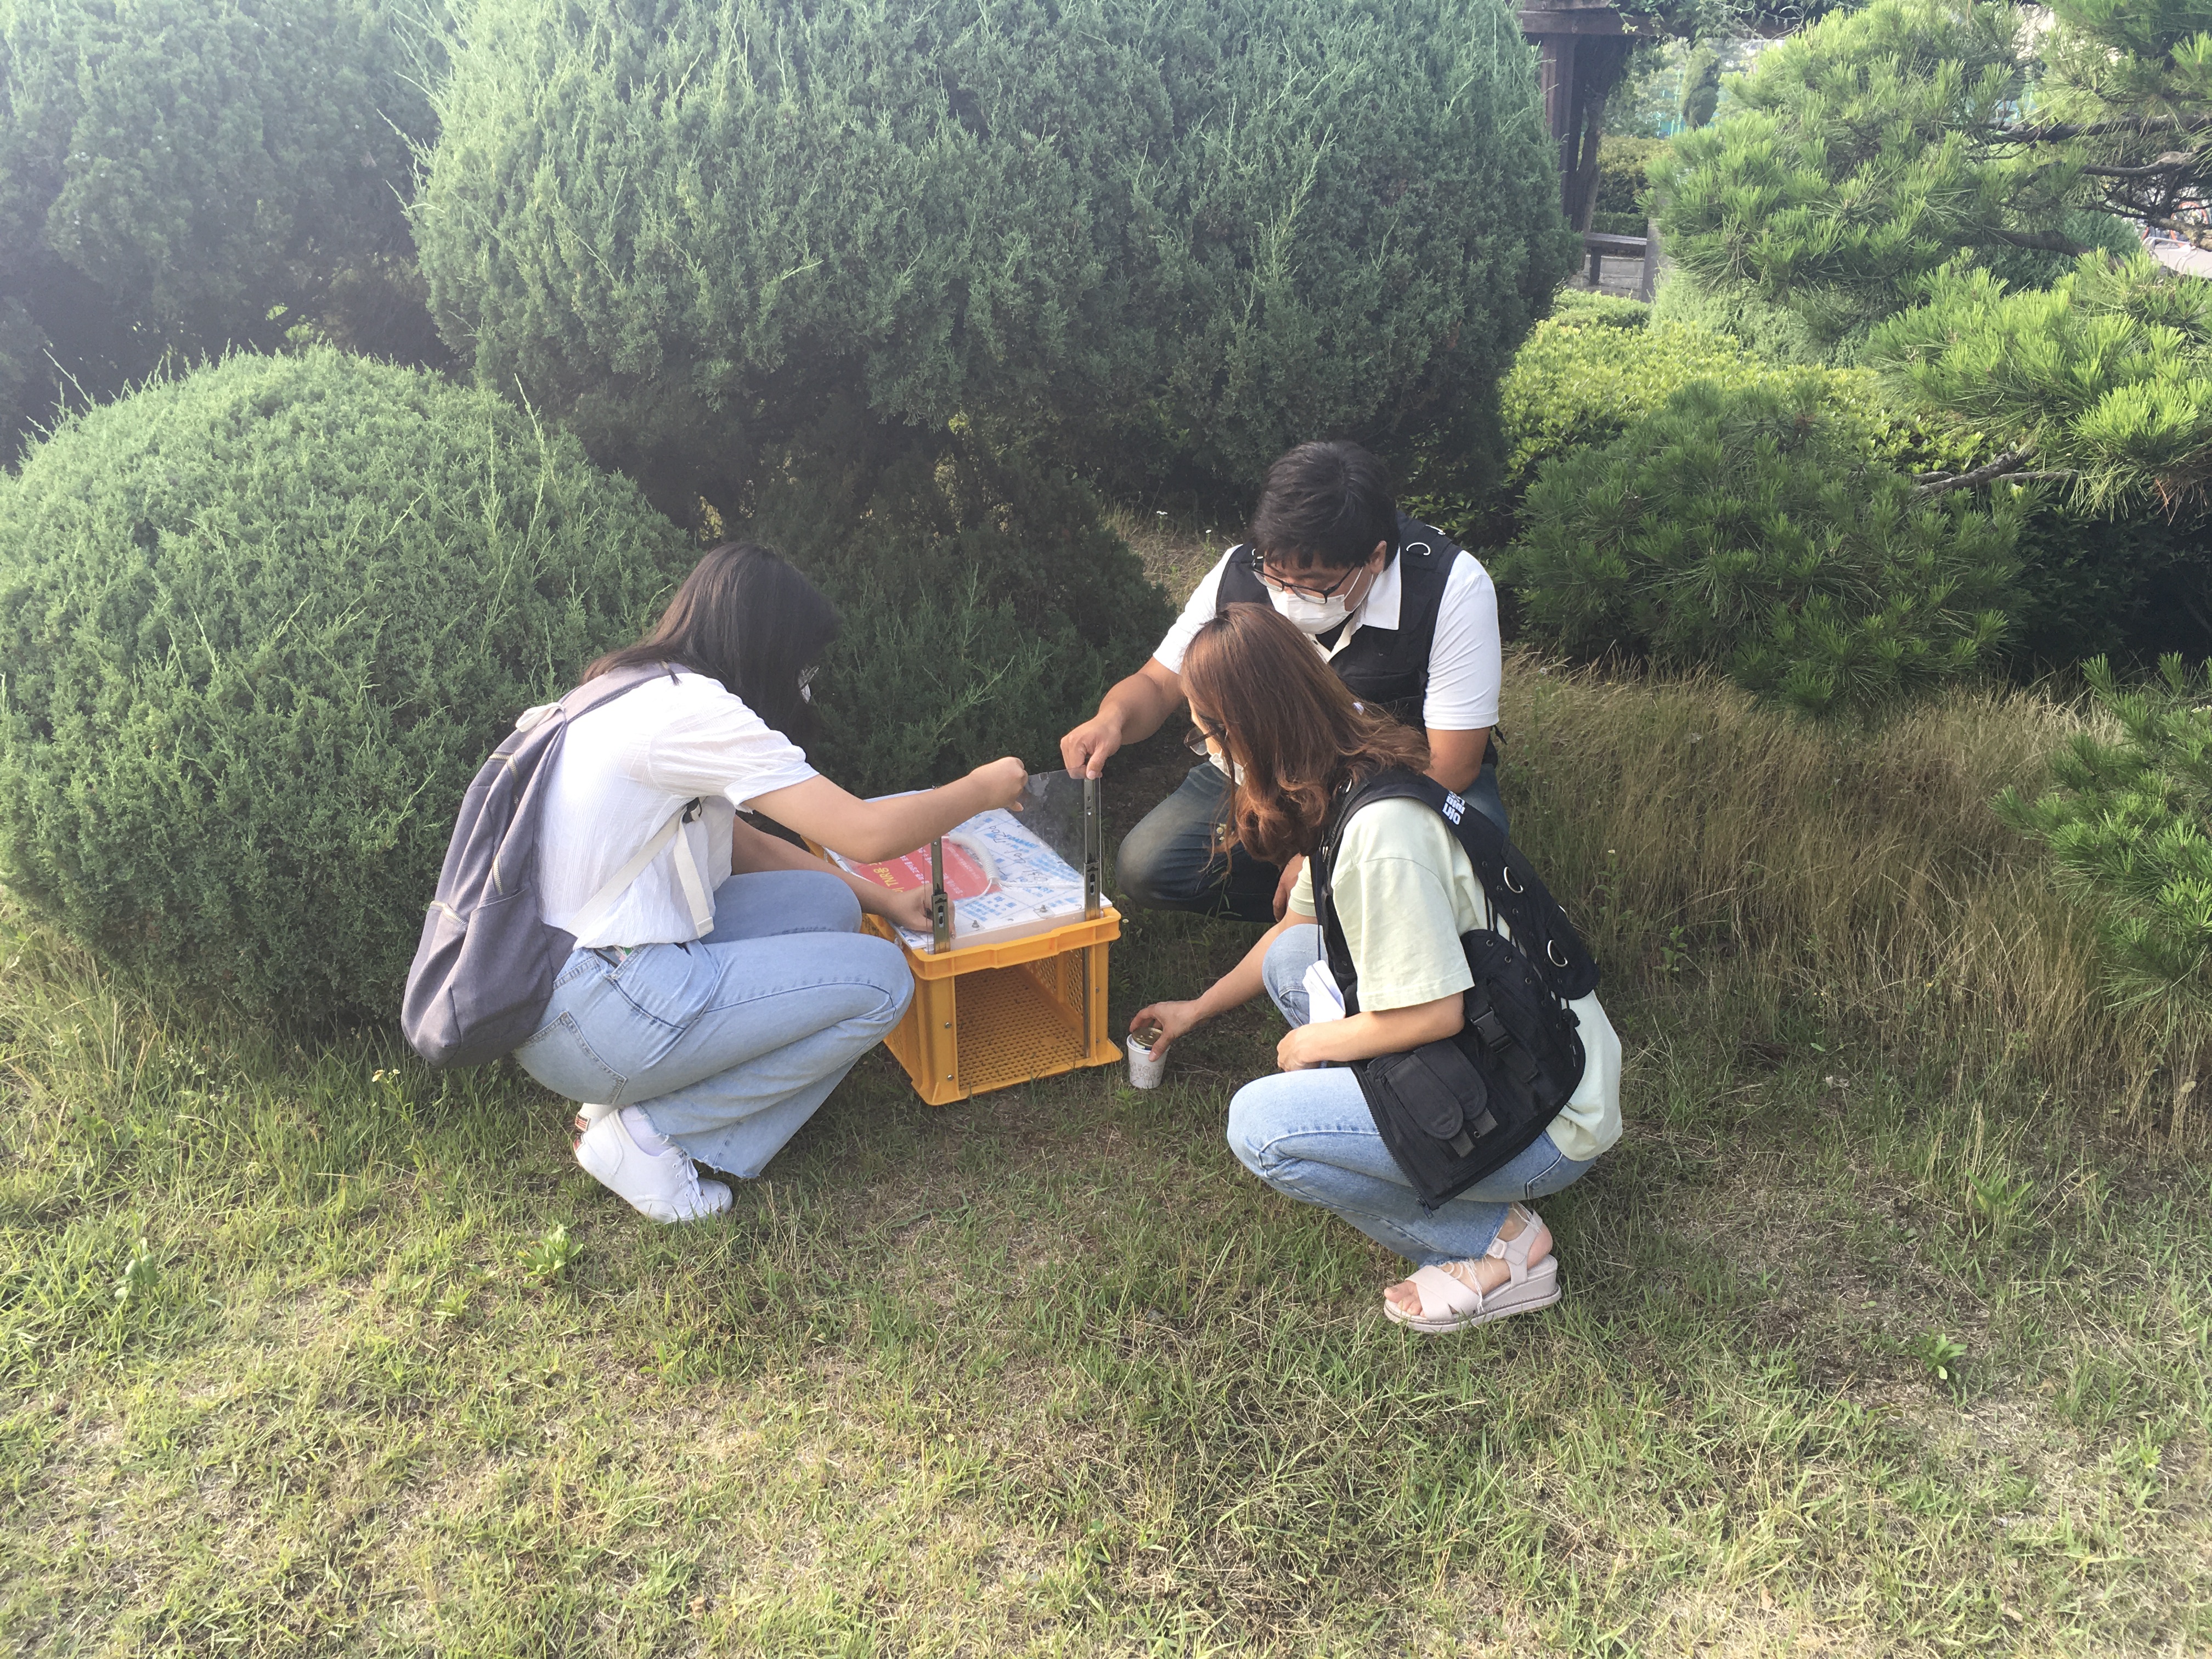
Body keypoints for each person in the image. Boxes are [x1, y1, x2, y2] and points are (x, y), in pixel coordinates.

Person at [1128, 604, 1620, 1331]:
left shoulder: (1378, 836)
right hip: (1524, 1043)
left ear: (1248, 732)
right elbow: (1295, 933)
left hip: (1550, 1111)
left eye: (1206, 733)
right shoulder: (1349, 775)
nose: (1207, 752)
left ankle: (1503, 1246)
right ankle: (1411, 1136)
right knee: (1297, 957)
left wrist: (1313, 1045)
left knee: (1260, 1127)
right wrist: (1196, 1009)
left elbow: (1435, 1014)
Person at [515, 543, 1026, 1223]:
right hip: (590, 1011)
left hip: (571, 986)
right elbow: (864, 833)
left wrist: (879, 898)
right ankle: (653, 1134)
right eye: (804, 665)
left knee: (830, 902)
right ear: (767, 645)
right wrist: (981, 789)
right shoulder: (696, 710)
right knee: (881, 984)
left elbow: (748, 843)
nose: (807, 684)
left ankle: (627, 1092)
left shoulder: (632, 688)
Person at [1060, 439, 1504, 924]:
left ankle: (1352, 893)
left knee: (1476, 875)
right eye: (1276, 577)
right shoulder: (1239, 573)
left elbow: (1454, 765)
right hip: (1268, 767)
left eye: (1315, 584)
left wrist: (1327, 852)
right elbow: (1159, 683)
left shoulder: (1450, 587)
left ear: (1375, 558)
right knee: (1149, 866)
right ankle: (1331, 906)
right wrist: (1112, 719)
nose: (1290, 598)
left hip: (1403, 776)